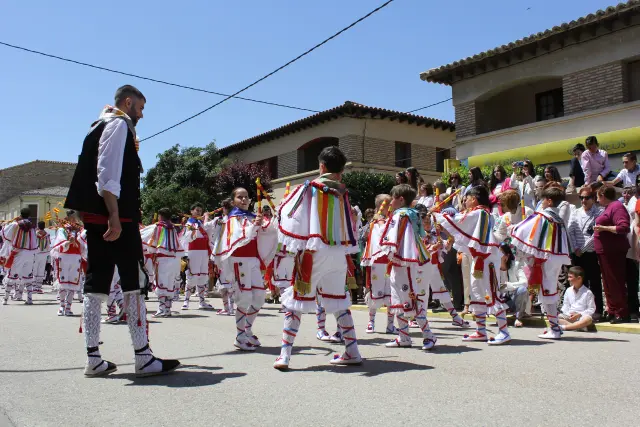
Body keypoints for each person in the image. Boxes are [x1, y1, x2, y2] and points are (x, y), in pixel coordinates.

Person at [64, 84, 179, 377]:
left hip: (98, 217)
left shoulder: (98, 125)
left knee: (96, 284)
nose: (142, 114)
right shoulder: (117, 125)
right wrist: (114, 215)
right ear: (128, 103)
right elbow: (107, 172)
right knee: (133, 283)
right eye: (140, 108)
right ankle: (143, 356)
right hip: (117, 218)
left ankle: (93, 358)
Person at [275, 146, 362, 369]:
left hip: (313, 252)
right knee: (339, 302)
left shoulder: (309, 188)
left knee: (295, 302)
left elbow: (286, 213)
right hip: (338, 254)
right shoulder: (343, 193)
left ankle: (284, 355)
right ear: (341, 170)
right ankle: (352, 351)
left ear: (321, 166)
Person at [437, 186, 511, 345]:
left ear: (474, 199)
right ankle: (481, 331)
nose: (465, 201)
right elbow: (461, 222)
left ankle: (504, 332)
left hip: (486, 258)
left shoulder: (480, 213)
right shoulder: (480, 213)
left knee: (490, 292)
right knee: (477, 292)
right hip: (480, 258)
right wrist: (445, 217)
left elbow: (459, 221)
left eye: (467, 199)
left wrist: (440, 216)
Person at [214, 187, 277, 351]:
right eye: (240, 197)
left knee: (260, 297)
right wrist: (254, 226)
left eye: (246, 197)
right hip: (239, 261)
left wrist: (274, 221)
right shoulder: (232, 218)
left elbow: (267, 231)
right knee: (244, 298)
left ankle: (247, 330)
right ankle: (240, 336)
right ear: (233, 201)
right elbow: (238, 236)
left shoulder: (252, 216)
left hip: (253, 261)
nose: (244, 199)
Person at [379, 184, 438, 350]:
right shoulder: (411, 214)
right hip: (402, 261)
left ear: (400, 199)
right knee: (398, 300)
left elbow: (392, 237)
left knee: (410, 299)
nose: (390, 203)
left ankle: (429, 335)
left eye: (392, 199)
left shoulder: (402, 214)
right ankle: (403, 337)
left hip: (405, 260)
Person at [510, 185, 571, 340]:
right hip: (556, 257)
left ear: (549, 201)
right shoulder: (558, 219)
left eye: (543, 199)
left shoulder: (543, 216)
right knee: (550, 290)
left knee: (547, 291)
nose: (541, 202)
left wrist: (511, 228)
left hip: (546, 258)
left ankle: (554, 329)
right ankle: (554, 326)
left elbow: (522, 229)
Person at [420, 211, 469, 328]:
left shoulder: (434, 235)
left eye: (429, 221)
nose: (427, 224)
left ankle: (455, 317)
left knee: (442, 291)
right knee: (421, 293)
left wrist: (444, 230)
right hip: (421, 268)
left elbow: (450, 241)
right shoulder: (417, 235)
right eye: (425, 222)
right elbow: (420, 251)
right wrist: (434, 247)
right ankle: (415, 318)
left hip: (433, 267)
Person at [594, 185, 631, 323]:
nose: (597, 200)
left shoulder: (616, 207)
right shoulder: (608, 208)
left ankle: (621, 312)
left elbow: (623, 227)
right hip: (605, 251)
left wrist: (603, 228)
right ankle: (612, 310)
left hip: (613, 251)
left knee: (615, 281)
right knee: (608, 283)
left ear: (603, 195)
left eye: (598, 197)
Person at [361, 194, 397, 334]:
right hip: (378, 261)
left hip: (390, 261)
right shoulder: (376, 222)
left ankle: (390, 325)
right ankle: (371, 322)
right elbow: (380, 238)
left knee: (391, 293)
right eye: (390, 204)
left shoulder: (391, 220)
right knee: (375, 291)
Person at [568, 186, 604, 319]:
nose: (583, 200)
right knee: (579, 283)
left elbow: (595, 234)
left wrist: (582, 249)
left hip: (590, 252)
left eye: (587, 198)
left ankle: (597, 311)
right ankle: (579, 311)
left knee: (594, 283)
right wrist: (575, 248)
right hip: (577, 252)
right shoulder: (575, 212)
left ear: (593, 199)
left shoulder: (599, 213)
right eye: (581, 198)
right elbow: (570, 230)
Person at [140, 208, 184, 317]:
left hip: (162, 259)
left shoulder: (158, 227)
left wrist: (149, 249)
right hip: (174, 259)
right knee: (169, 284)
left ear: (160, 216)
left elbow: (145, 237)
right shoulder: (173, 228)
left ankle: (161, 309)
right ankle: (167, 309)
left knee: (160, 283)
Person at [179, 203, 214, 310]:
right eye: (197, 210)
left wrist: (207, 220)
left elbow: (209, 231)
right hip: (193, 251)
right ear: (191, 211)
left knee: (203, 276)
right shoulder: (190, 223)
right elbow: (187, 238)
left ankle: (202, 302)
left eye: (200, 211)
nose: (199, 212)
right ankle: (186, 301)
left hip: (204, 252)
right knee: (192, 276)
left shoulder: (201, 223)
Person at [51, 211, 86, 316]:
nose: (75, 220)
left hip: (76, 257)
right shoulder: (63, 229)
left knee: (73, 282)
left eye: (76, 218)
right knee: (63, 282)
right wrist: (68, 242)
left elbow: (83, 244)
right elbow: (59, 241)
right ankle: (62, 306)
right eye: (73, 217)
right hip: (64, 256)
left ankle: (68, 307)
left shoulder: (80, 230)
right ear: (68, 217)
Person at [0, 207, 37, 305]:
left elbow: (4, 234)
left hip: (19, 252)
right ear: (29, 215)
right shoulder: (32, 226)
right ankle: (29, 299)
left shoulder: (15, 224)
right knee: (28, 275)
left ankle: (5, 299)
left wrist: (7, 224)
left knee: (11, 275)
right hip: (30, 253)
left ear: (20, 215)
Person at [559, 267, 596, 332]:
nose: (568, 279)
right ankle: (578, 327)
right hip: (570, 317)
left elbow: (591, 309)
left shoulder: (588, 292)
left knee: (588, 319)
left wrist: (579, 314)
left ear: (579, 278)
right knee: (556, 317)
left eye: (570, 277)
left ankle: (566, 327)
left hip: (582, 317)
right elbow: (565, 306)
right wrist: (569, 314)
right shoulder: (568, 290)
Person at [33, 221, 51, 295]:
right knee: (41, 269)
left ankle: (33, 286)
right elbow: (49, 244)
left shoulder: (35, 233)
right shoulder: (47, 234)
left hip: (36, 253)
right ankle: (38, 287)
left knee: (34, 269)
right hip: (44, 253)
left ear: (38, 226)